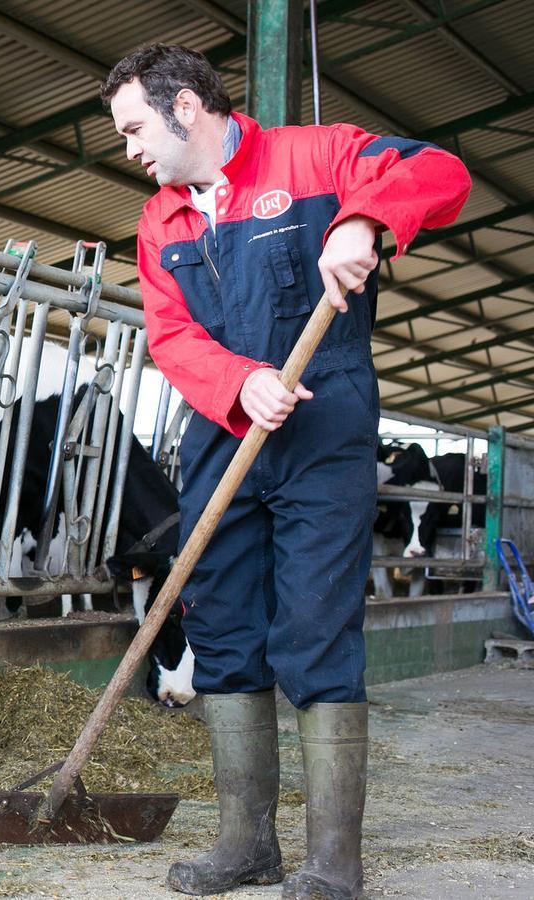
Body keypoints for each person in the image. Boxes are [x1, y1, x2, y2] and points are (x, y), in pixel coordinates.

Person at [101, 43, 470, 899]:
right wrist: (240, 382)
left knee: (313, 629)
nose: (129, 150)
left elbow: (440, 172)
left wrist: (362, 219)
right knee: (224, 626)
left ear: (185, 105)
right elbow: (170, 337)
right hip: (223, 431)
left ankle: (334, 864)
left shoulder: (318, 155)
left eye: (133, 128)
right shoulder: (161, 223)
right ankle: (246, 844)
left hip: (326, 426)